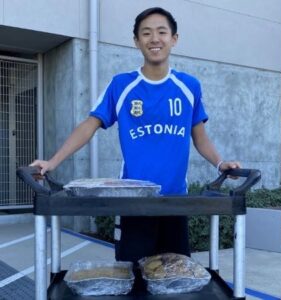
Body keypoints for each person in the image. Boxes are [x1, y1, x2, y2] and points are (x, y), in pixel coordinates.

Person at [31, 7, 240, 263]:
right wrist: (53, 162)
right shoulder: (122, 85)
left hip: (175, 203)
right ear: (136, 41)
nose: (155, 39)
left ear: (174, 39)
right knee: (132, 278)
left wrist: (221, 163)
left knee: (175, 278)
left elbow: (199, 136)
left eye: (162, 32)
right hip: (133, 203)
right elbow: (89, 124)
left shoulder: (189, 86)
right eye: (146, 33)